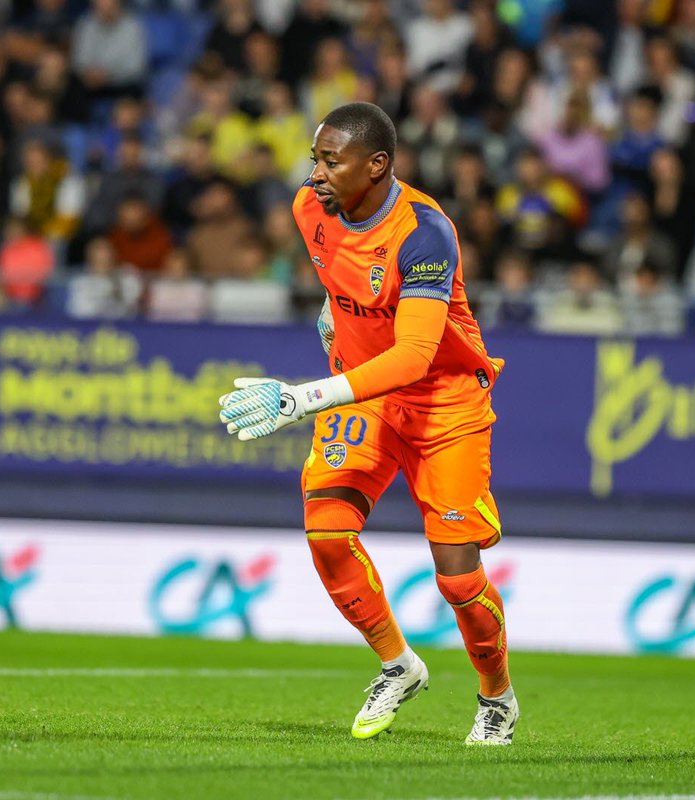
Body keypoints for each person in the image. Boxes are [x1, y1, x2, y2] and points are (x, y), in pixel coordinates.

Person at [216, 102, 517, 745]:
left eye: (331, 160)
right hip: (367, 398)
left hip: (444, 404)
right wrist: (336, 307)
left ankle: (497, 698)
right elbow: (341, 271)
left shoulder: (425, 233)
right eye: (314, 157)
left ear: (376, 165)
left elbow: (413, 356)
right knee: (327, 532)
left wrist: (303, 398)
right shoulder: (309, 208)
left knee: (458, 578)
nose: (315, 173)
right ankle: (397, 664)